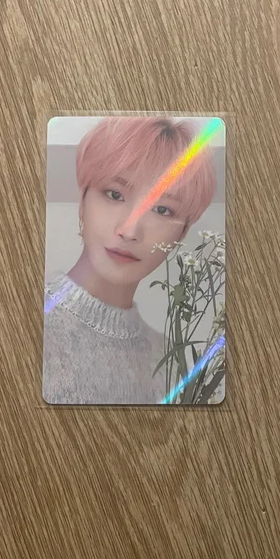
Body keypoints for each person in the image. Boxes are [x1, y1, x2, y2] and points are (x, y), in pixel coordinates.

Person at [43, 116, 217, 404]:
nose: (130, 230)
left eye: (162, 210)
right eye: (115, 194)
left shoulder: (174, 363)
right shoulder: (22, 322)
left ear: (182, 233)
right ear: (82, 202)